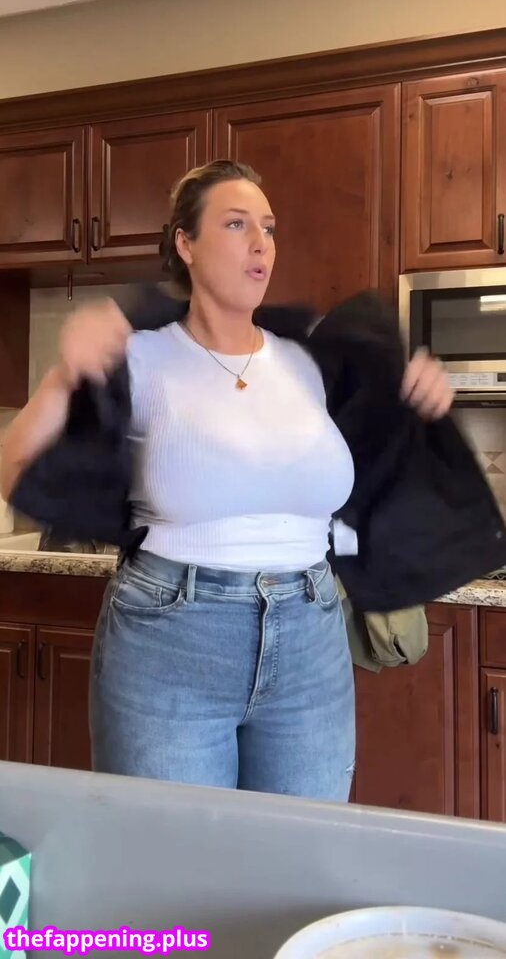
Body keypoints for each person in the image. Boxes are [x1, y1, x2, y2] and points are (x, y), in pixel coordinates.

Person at [0, 160, 453, 802]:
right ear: (185, 244)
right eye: (237, 224)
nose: (261, 243)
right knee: (175, 853)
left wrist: (413, 409)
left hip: (311, 635)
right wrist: (63, 374)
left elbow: (373, 482)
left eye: (269, 227)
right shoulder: (138, 354)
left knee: (297, 851)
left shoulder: (313, 359)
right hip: (171, 637)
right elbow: (13, 466)